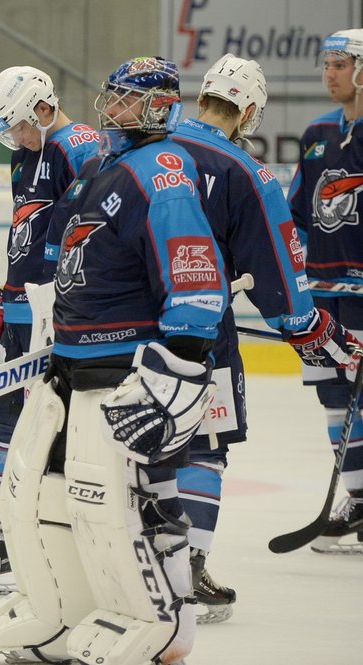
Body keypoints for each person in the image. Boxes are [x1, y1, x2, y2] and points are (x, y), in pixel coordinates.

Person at [0, 56, 226, 665]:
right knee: (45, 496)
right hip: (75, 359)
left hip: (123, 364)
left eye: (124, 100)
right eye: (110, 95)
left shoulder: (162, 169)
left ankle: (160, 623)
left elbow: (192, 270)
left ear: (160, 106)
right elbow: (61, 262)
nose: (108, 108)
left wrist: (184, 359)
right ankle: (64, 611)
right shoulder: (101, 167)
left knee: (115, 497)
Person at [171, 53, 360, 623]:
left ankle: (131, 563)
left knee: (134, 444)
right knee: (203, 446)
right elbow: (280, 275)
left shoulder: (139, 147)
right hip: (203, 332)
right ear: (249, 110)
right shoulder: (244, 171)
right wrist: (315, 329)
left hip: (120, 327)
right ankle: (186, 570)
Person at [0, 66, 99, 594]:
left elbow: (85, 232)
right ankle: (14, 518)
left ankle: (49, 533)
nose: (14, 139)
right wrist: (8, 292)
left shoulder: (80, 147)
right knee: (7, 416)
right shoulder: (26, 152)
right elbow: (29, 228)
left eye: (18, 125)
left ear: (45, 109)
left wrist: (63, 300)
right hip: (26, 307)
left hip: (61, 310)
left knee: (55, 421)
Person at [288, 28, 363, 555]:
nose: (329, 73)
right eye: (326, 64)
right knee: (335, 396)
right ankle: (359, 498)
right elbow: (295, 214)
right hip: (323, 293)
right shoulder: (317, 132)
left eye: (340, 64)